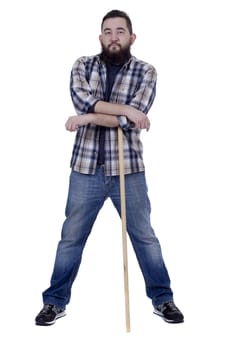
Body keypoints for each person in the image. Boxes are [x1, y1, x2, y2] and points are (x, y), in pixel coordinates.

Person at [35, 9, 184, 326]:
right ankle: (55, 302)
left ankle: (163, 299)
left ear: (132, 37)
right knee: (70, 239)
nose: (113, 36)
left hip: (128, 171)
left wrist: (91, 118)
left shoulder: (146, 71)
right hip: (85, 169)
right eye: (107, 31)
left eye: (120, 31)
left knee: (145, 238)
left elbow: (132, 119)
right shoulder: (83, 66)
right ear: (100, 37)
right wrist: (123, 111)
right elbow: (84, 102)